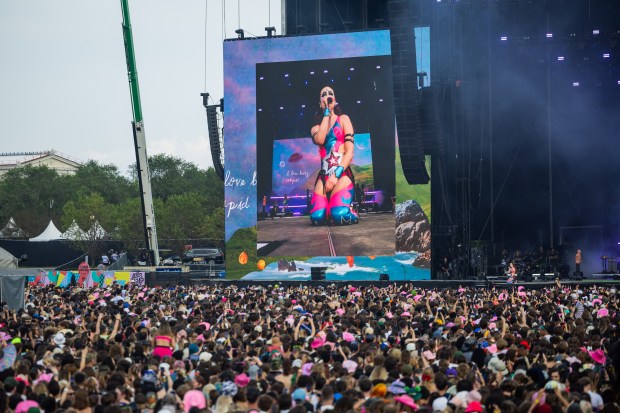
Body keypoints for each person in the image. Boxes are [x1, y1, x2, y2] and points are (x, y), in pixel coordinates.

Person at [309, 86, 358, 225]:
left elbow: (350, 152)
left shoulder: (344, 119)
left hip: (341, 174)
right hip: (324, 177)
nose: (327, 95)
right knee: (317, 217)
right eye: (323, 94)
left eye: (330, 93)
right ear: (320, 103)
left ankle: (352, 211)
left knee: (339, 215)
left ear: (335, 100)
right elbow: (320, 140)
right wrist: (326, 114)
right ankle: (328, 207)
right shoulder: (316, 128)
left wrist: (336, 175)